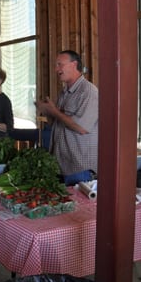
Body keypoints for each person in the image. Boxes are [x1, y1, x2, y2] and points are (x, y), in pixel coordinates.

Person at [35, 50, 98, 186]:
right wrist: (47, 112)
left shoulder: (88, 92)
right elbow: (57, 123)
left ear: (74, 64)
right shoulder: (64, 92)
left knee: (80, 207)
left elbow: (81, 128)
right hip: (62, 166)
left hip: (79, 169)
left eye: (60, 64)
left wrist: (55, 111)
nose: (56, 69)